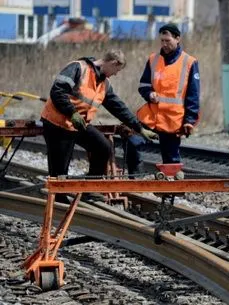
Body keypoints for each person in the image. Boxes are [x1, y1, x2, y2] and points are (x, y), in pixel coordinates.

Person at [41, 50, 157, 204]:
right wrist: (72, 113)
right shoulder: (78, 68)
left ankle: (90, 188)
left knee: (103, 147)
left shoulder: (104, 84)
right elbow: (57, 91)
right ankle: (59, 200)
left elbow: (118, 107)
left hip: (78, 124)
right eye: (117, 70)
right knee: (60, 168)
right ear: (114, 63)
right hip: (57, 123)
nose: (115, 74)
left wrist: (139, 128)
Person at [125, 23, 200, 176]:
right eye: (162, 41)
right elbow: (143, 85)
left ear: (177, 38)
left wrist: (189, 121)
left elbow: (193, 95)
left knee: (171, 161)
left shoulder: (190, 62)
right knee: (132, 142)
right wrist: (149, 94)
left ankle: (170, 195)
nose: (164, 44)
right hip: (151, 117)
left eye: (168, 41)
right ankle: (136, 179)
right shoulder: (153, 59)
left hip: (173, 121)